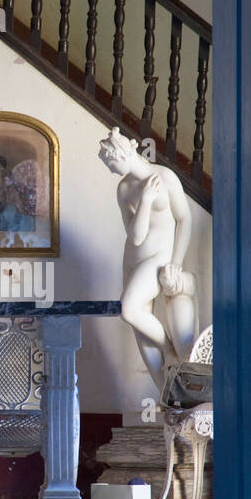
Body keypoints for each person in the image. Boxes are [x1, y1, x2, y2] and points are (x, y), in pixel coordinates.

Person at [98, 127, 196, 393]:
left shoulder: (166, 177)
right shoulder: (124, 189)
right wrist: (146, 200)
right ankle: (166, 393)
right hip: (131, 260)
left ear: (123, 153)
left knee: (128, 309)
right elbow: (136, 235)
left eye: (111, 162)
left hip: (158, 258)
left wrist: (176, 261)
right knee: (141, 332)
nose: (110, 169)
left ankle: (171, 351)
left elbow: (184, 218)